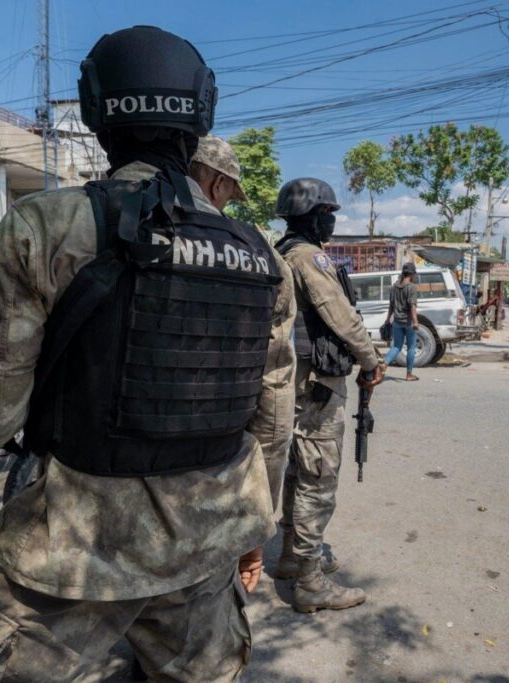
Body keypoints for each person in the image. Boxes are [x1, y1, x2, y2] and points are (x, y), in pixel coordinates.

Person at [0, 26, 295, 682]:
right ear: (199, 117)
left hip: (67, 560)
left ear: (96, 114)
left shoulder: (44, 228)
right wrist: (252, 532)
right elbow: (272, 423)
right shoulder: (262, 257)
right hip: (205, 560)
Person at [273, 178, 384, 614]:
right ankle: (310, 581)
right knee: (318, 479)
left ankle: (290, 558)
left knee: (299, 473)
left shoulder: (282, 252)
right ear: (316, 216)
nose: (333, 222)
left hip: (296, 383)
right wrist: (372, 361)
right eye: (330, 214)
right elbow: (341, 317)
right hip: (316, 384)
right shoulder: (309, 257)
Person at [191, 133, 296, 510]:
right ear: (218, 184)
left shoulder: (89, 221)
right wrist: (259, 514)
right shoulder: (257, 252)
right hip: (209, 471)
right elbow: (274, 392)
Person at [382, 262, 420, 381]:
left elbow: (391, 306)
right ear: (412, 274)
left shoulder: (394, 287)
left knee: (397, 346)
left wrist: (388, 320)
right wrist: (415, 322)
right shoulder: (411, 287)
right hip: (408, 322)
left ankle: (384, 364)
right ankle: (409, 374)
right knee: (411, 348)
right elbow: (412, 306)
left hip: (397, 322)